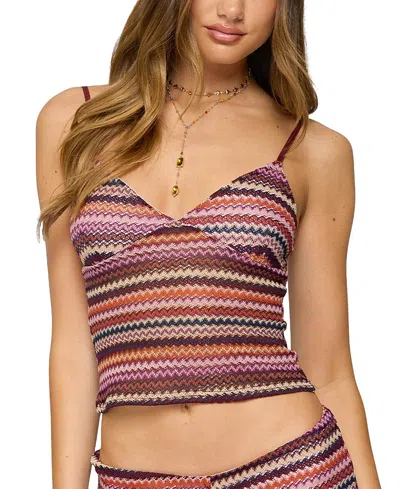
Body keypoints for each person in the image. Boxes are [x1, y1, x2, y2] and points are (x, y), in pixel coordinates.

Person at [36, 1, 381, 488]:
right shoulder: (77, 121)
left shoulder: (314, 150)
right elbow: (74, 345)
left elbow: (329, 372)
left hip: (291, 469)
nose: (232, 10)